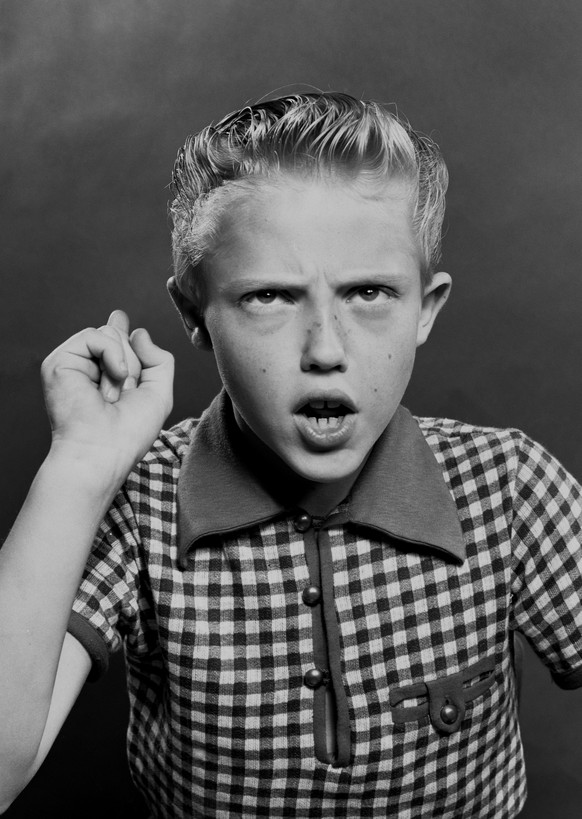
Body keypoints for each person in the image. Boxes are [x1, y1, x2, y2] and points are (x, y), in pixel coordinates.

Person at [1, 92, 581, 819]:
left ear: (425, 309)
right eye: (270, 297)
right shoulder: (141, 504)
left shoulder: (511, 488)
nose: (327, 350)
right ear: (194, 315)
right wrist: (79, 466)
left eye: (370, 292)